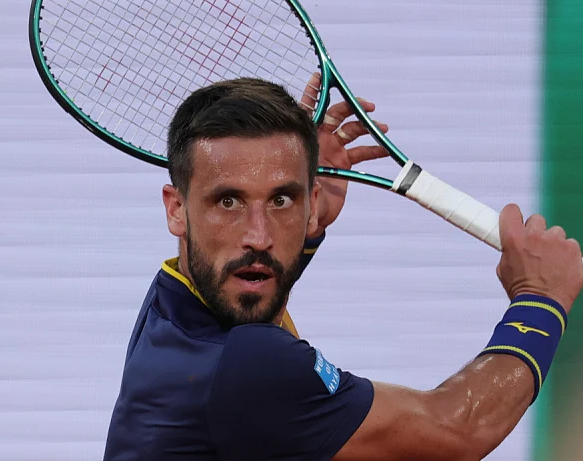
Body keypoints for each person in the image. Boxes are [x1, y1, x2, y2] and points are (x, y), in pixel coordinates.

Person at [102, 73, 583, 461]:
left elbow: (250, 287)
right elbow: (457, 429)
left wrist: (308, 232)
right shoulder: (246, 367)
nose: (259, 236)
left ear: (311, 203)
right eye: (228, 201)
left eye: (282, 199)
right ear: (176, 209)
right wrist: (540, 299)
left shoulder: (172, 301)